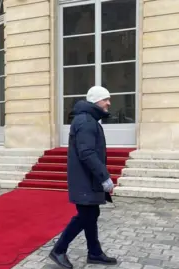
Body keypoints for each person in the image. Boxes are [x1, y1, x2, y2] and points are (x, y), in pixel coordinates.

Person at [49, 86, 118, 268]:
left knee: (91, 214)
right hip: (85, 180)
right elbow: (87, 153)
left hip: (87, 179)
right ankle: (59, 250)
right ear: (96, 101)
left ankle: (94, 253)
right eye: (106, 99)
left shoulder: (87, 119)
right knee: (85, 216)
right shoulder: (86, 121)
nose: (109, 103)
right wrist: (104, 177)